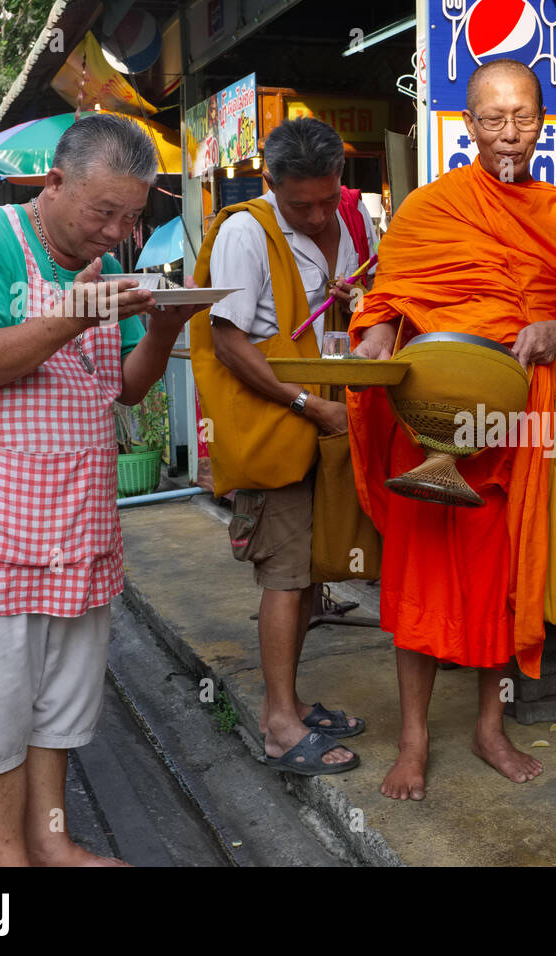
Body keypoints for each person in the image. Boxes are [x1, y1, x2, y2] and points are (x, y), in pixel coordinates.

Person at [0, 114, 201, 866]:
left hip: (73, 516)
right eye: (103, 212)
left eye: (132, 216)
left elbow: (129, 390)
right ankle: (11, 863)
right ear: (55, 183)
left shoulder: (115, 272)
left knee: (57, 701)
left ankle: (52, 842)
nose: (116, 231)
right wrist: (73, 312)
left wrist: (166, 326)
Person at [350, 59, 556, 800]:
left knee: (504, 584)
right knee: (421, 586)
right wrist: (376, 338)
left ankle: (489, 726)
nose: (510, 134)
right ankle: (413, 740)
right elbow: (385, 300)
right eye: (493, 119)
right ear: (467, 126)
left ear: (543, 123)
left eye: (524, 118)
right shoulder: (429, 208)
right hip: (430, 424)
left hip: (517, 426)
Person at [191, 118, 377, 776]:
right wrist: (307, 404)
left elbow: (356, 313)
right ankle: (277, 724)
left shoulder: (353, 225)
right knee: (284, 577)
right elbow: (229, 342)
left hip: (327, 417)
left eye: (329, 198)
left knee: (309, 575)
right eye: (302, 204)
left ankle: (292, 702)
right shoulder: (247, 231)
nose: (319, 214)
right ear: (272, 186)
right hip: (277, 421)